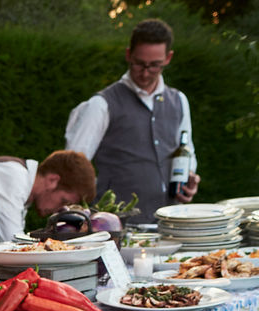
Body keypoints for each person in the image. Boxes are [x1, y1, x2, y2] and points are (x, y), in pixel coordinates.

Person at [65, 18, 199, 223]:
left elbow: (186, 151)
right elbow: (73, 166)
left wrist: (190, 177)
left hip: (170, 223)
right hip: (116, 226)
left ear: (168, 58)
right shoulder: (101, 104)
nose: (145, 73)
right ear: (128, 54)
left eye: (154, 66)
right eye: (139, 64)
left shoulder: (179, 101)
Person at [0, 150, 97, 243]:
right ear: (52, 180)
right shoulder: (14, 177)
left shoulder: (24, 188)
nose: (60, 209)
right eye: (63, 201)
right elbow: (14, 243)